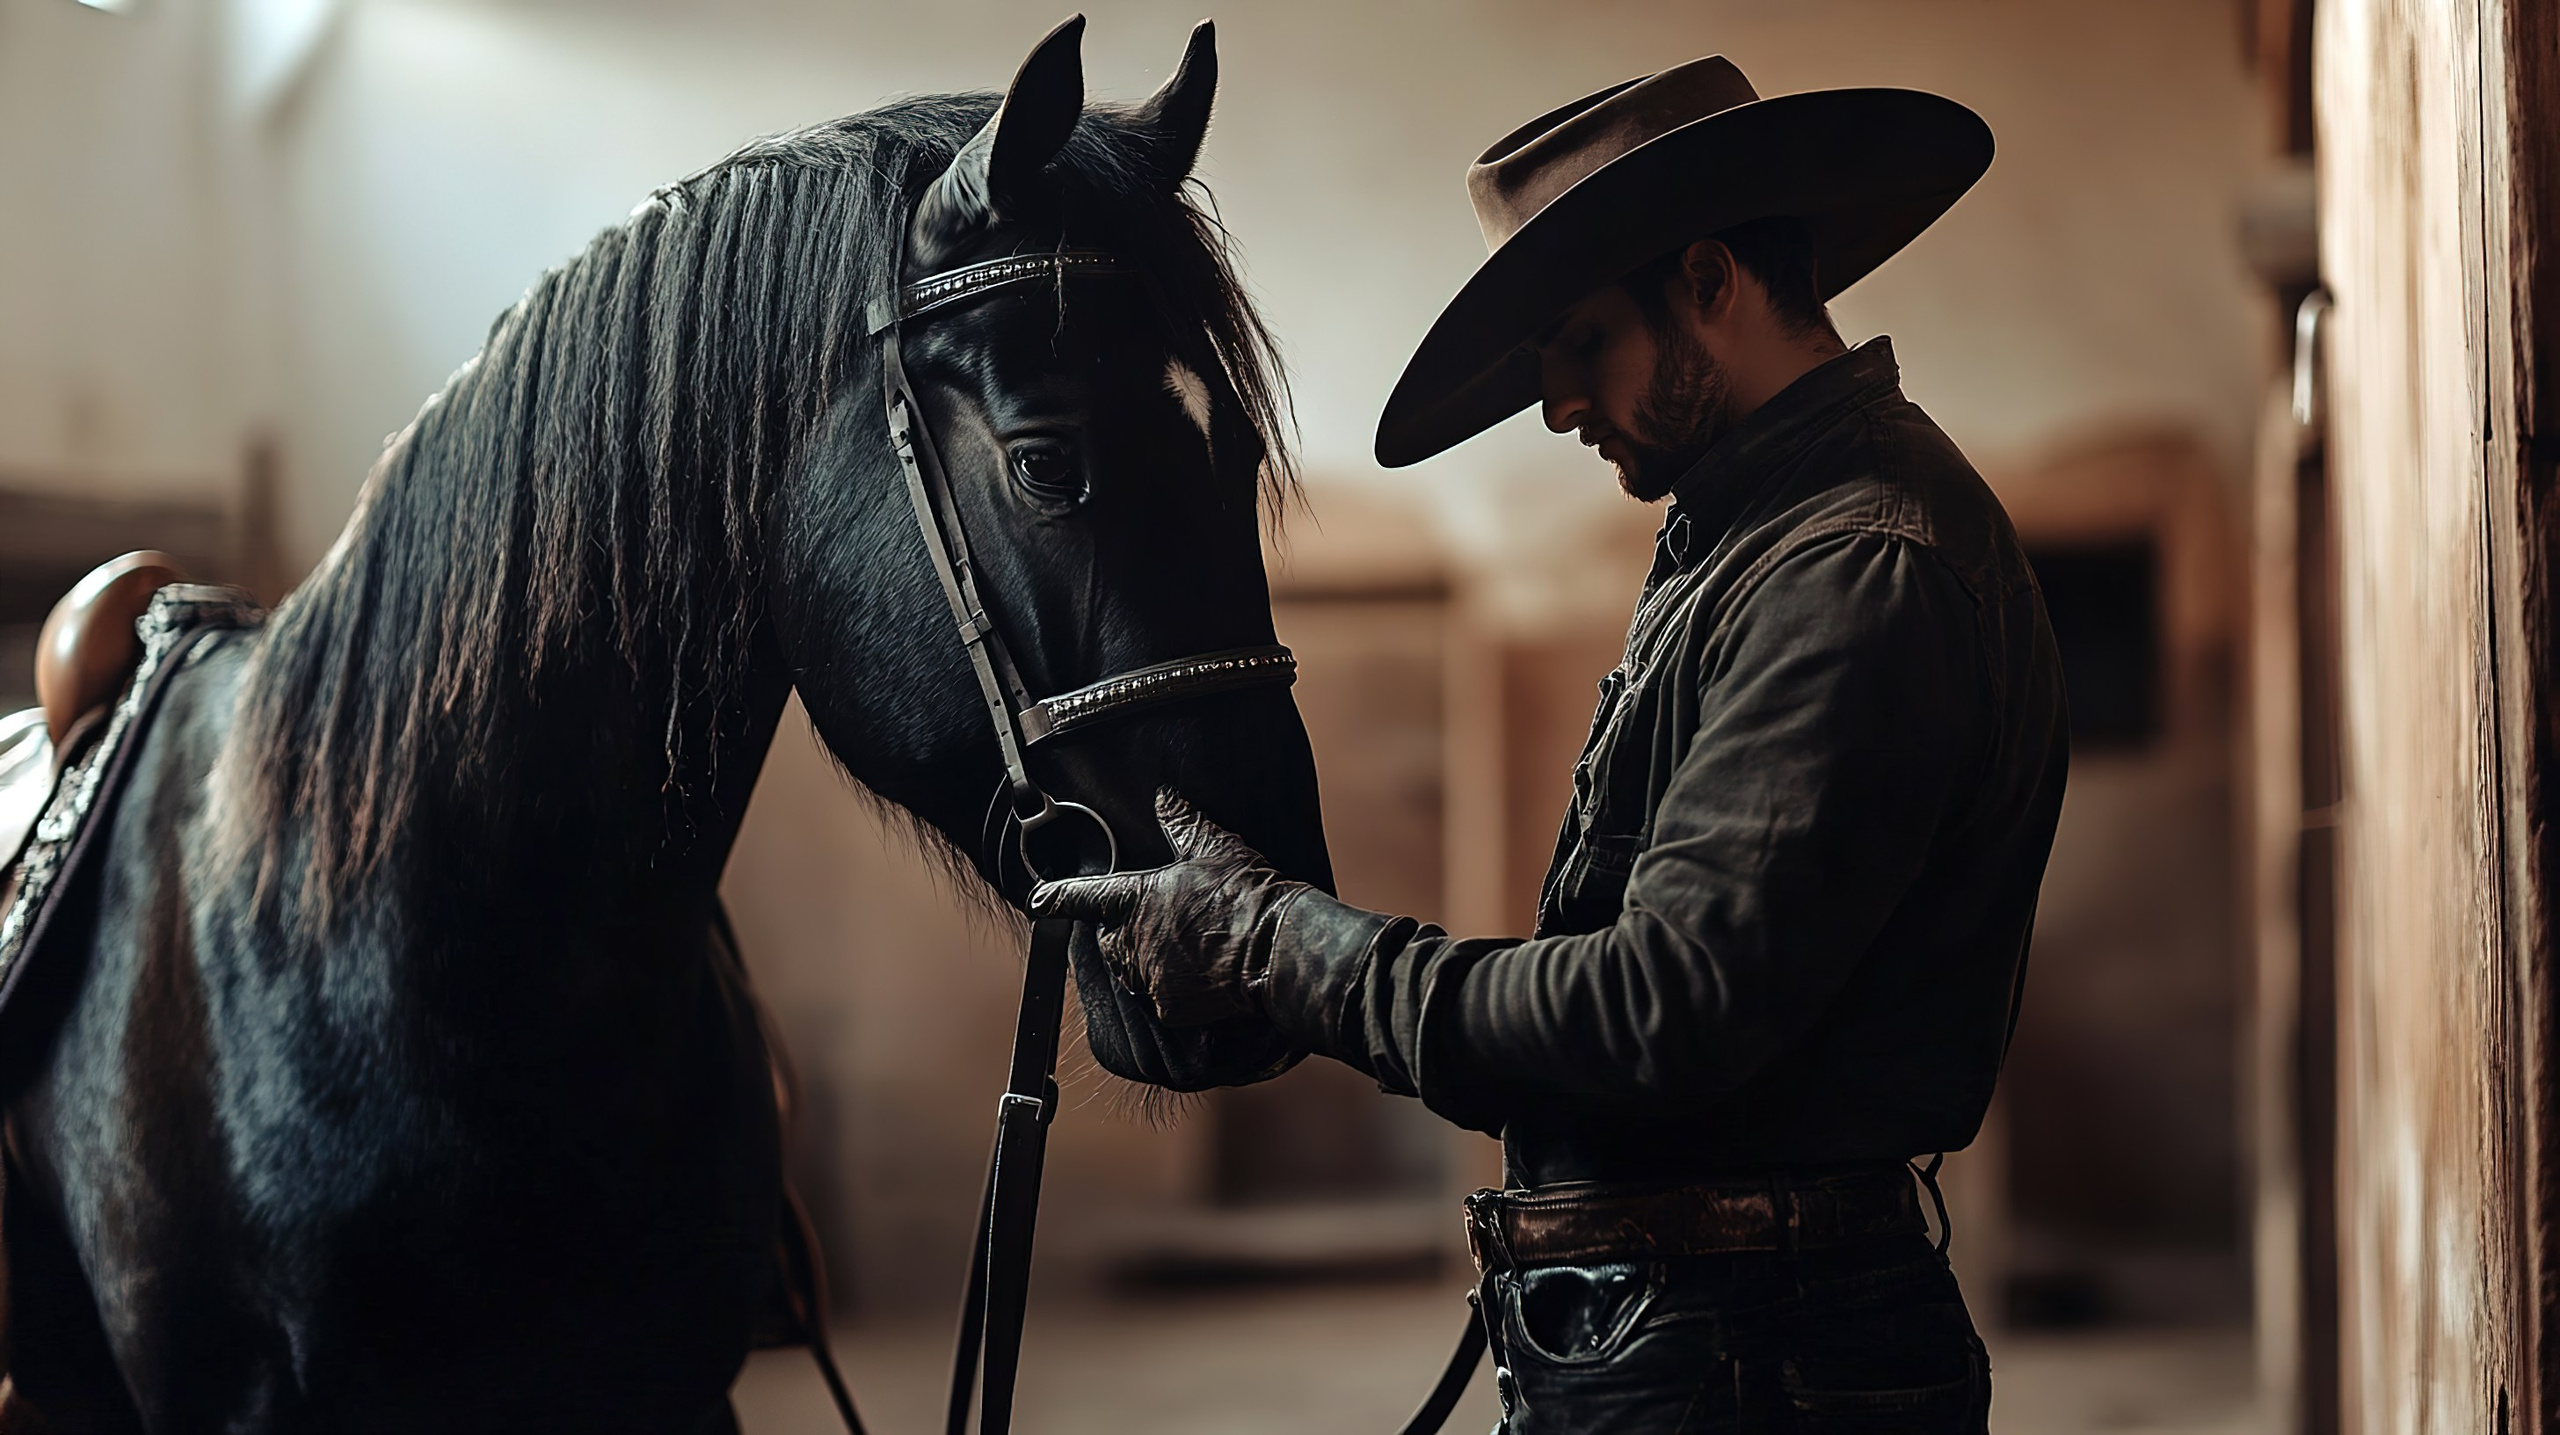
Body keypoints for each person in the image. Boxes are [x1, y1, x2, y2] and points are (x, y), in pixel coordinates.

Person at [1033, 54, 2067, 1433]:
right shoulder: (1760, 536)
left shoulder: (1850, 571)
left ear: (1710, 283)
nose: (1561, 405)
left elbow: (1655, 1014)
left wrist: (1275, 946)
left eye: (1583, 344)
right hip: (1726, 1337)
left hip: (1764, 1366)